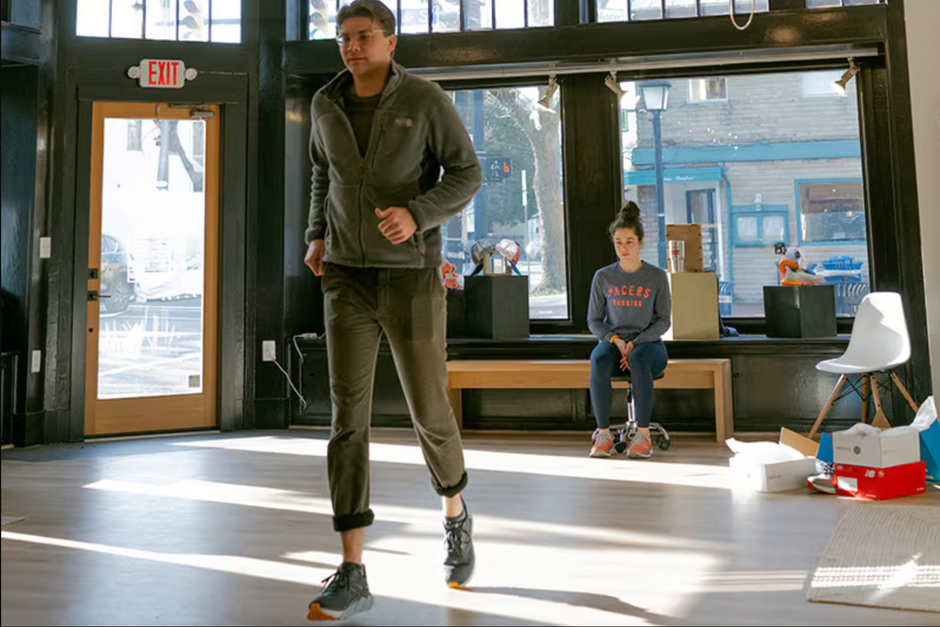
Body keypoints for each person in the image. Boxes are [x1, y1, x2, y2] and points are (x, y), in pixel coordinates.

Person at [302, 0, 483, 620]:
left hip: (411, 279)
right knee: (346, 418)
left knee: (429, 410)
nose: (351, 47)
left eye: (363, 36)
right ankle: (353, 568)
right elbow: (322, 176)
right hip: (344, 279)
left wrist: (419, 213)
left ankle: (456, 513)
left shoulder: (426, 100)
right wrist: (316, 234)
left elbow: (467, 172)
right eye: (343, 38)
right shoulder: (326, 104)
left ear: (390, 40)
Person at [587, 202, 672, 459]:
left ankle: (643, 435)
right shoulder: (603, 277)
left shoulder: (656, 277)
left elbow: (663, 321)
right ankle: (604, 435)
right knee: (599, 358)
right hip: (614, 344)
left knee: (638, 358)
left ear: (641, 242)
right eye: (619, 242)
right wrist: (615, 340)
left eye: (630, 242)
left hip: (650, 346)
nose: (624, 248)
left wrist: (635, 342)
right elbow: (594, 320)